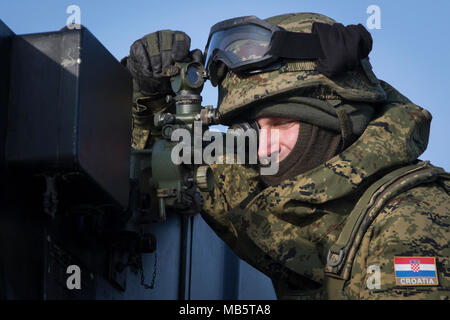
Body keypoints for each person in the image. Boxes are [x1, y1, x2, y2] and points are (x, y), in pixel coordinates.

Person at [124, 13, 450, 299]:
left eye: (281, 123)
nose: (264, 148)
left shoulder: (414, 217)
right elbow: (165, 165)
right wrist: (151, 101)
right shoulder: (258, 179)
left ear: (335, 120)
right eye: (252, 129)